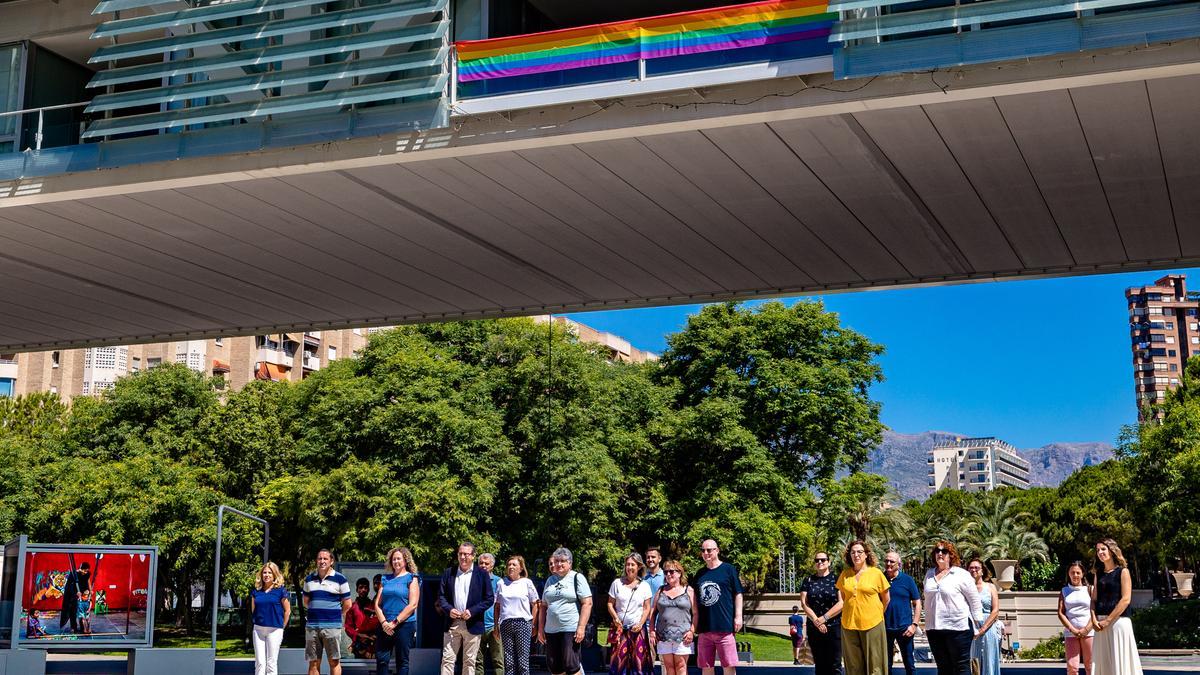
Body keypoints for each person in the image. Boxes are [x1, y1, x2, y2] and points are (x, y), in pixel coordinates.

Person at [923, 542, 981, 675]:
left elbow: (974, 601)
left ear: (951, 555)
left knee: (961, 666)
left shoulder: (961, 574)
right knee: (943, 668)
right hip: (934, 628)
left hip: (958, 628)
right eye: (937, 551)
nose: (940, 554)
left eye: (944, 551)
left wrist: (978, 625)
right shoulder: (929, 575)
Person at [438, 541, 496, 675]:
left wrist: (472, 611)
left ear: (473, 556)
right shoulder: (449, 573)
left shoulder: (482, 574)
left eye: (466, 554)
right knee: (447, 659)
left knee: (469, 661)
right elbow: (441, 597)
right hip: (453, 623)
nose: (463, 557)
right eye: (460, 554)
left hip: (473, 623)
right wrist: (449, 609)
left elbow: (489, 599)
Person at [836, 540, 890, 675]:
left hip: (873, 624)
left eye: (859, 552)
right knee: (853, 666)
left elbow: (886, 599)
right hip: (848, 625)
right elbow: (842, 599)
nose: (856, 555)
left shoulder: (876, 573)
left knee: (875, 665)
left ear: (866, 554)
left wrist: (876, 613)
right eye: (853, 552)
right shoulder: (845, 574)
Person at [537, 547, 593, 675]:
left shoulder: (577, 578)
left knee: (571, 666)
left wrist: (581, 627)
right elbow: (543, 606)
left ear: (570, 563)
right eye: (556, 561)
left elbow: (587, 603)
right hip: (551, 630)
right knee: (555, 667)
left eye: (562, 561)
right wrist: (540, 629)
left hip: (570, 628)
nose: (558, 564)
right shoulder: (550, 580)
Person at [1091, 539, 1143, 675]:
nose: (1100, 552)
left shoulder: (1123, 572)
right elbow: (1094, 599)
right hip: (1100, 624)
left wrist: (1108, 620)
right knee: (1103, 663)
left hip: (1118, 623)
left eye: (1103, 549)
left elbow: (1126, 599)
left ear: (1112, 551)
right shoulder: (1098, 574)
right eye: (1097, 550)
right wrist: (1093, 620)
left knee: (1120, 663)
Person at [694, 538, 745, 675]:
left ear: (717, 550)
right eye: (703, 550)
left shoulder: (728, 569)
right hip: (705, 629)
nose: (706, 553)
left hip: (725, 628)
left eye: (709, 550)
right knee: (706, 667)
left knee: (729, 666)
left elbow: (738, 593)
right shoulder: (699, 574)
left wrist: (738, 617)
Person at [303, 549, 353, 675]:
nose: (322, 561)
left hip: (332, 627)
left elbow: (348, 604)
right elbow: (306, 602)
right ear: (316, 561)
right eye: (320, 558)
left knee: (334, 662)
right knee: (313, 662)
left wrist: (334, 614)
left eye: (325, 559)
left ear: (331, 561)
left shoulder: (340, 579)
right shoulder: (309, 579)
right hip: (312, 627)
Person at [376, 546, 420, 675]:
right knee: (382, 660)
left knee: (402, 662)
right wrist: (384, 623)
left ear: (405, 560)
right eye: (393, 559)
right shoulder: (385, 579)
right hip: (384, 626)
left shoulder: (412, 578)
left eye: (399, 559)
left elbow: (413, 605)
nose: (396, 561)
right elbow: (377, 604)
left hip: (404, 626)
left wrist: (394, 623)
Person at [607, 552, 653, 675]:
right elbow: (610, 604)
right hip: (620, 629)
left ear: (639, 567)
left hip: (637, 630)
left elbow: (647, 608)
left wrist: (641, 623)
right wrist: (615, 618)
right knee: (618, 665)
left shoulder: (644, 586)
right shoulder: (617, 583)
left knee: (639, 665)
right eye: (627, 564)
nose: (629, 567)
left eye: (633, 564)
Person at [649, 559, 697, 675]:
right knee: (669, 667)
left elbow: (696, 613)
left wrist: (692, 631)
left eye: (671, 571)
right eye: (666, 572)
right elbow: (653, 612)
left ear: (679, 573)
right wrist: (652, 631)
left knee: (681, 665)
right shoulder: (661, 590)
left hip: (683, 636)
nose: (668, 574)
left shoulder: (689, 590)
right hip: (663, 635)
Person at [495, 555, 540, 675]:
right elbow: (497, 606)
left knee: (523, 661)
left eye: (514, 565)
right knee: (508, 661)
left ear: (521, 568)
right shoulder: (501, 583)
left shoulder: (526, 582)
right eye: (509, 564)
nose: (511, 567)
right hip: (505, 623)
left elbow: (535, 604)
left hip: (523, 623)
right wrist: (496, 626)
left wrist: (533, 624)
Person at [801, 551, 844, 675]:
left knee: (835, 664)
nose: (820, 562)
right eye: (817, 560)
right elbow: (804, 603)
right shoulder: (808, 580)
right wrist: (816, 621)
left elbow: (841, 603)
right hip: (814, 627)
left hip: (834, 627)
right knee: (820, 664)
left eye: (823, 560)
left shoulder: (837, 579)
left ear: (829, 562)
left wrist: (824, 618)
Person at [882, 551, 921, 675]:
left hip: (905, 629)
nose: (888, 563)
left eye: (892, 561)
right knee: (885, 665)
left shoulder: (907, 580)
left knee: (909, 663)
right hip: (884, 628)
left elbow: (917, 603)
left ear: (899, 564)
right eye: (886, 561)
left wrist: (914, 625)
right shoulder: (879, 578)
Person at [251, 562, 292, 675]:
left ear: (274, 575)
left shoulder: (280, 591)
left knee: (271, 663)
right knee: (259, 662)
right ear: (261, 575)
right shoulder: (256, 591)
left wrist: (282, 626)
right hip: (258, 630)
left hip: (275, 630)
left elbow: (287, 611)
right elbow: (253, 610)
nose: (267, 575)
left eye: (269, 572)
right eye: (264, 572)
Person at [1059, 561, 1094, 675]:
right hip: (1071, 633)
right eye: (1072, 572)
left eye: (1078, 572)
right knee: (1072, 667)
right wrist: (1072, 629)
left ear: (1083, 574)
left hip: (1089, 632)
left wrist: (1086, 629)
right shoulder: (1064, 591)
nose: (1075, 575)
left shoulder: (1090, 589)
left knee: (1090, 665)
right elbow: (1061, 613)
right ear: (1068, 574)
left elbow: (1095, 611)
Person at [966, 559, 1000, 675]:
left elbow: (995, 610)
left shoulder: (990, 587)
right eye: (971, 568)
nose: (973, 570)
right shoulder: (965, 588)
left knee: (989, 660)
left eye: (976, 568)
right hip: (971, 628)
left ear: (982, 571)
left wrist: (983, 628)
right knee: (974, 661)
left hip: (989, 628)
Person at [476, 553, 505, 675]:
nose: (483, 565)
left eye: (486, 563)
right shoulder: (472, 581)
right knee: (477, 661)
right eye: (481, 563)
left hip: (494, 626)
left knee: (498, 660)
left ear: (492, 566)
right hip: (476, 626)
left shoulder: (499, 582)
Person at [346, 578, 380, 659]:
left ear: (368, 589)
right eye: (361, 587)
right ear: (357, 590)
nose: (363, 590)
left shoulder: (374, 606)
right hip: (359, 645)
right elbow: (348, 627)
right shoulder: (352, 607)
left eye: (365, 587)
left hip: (373, 644)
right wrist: (358, 635)